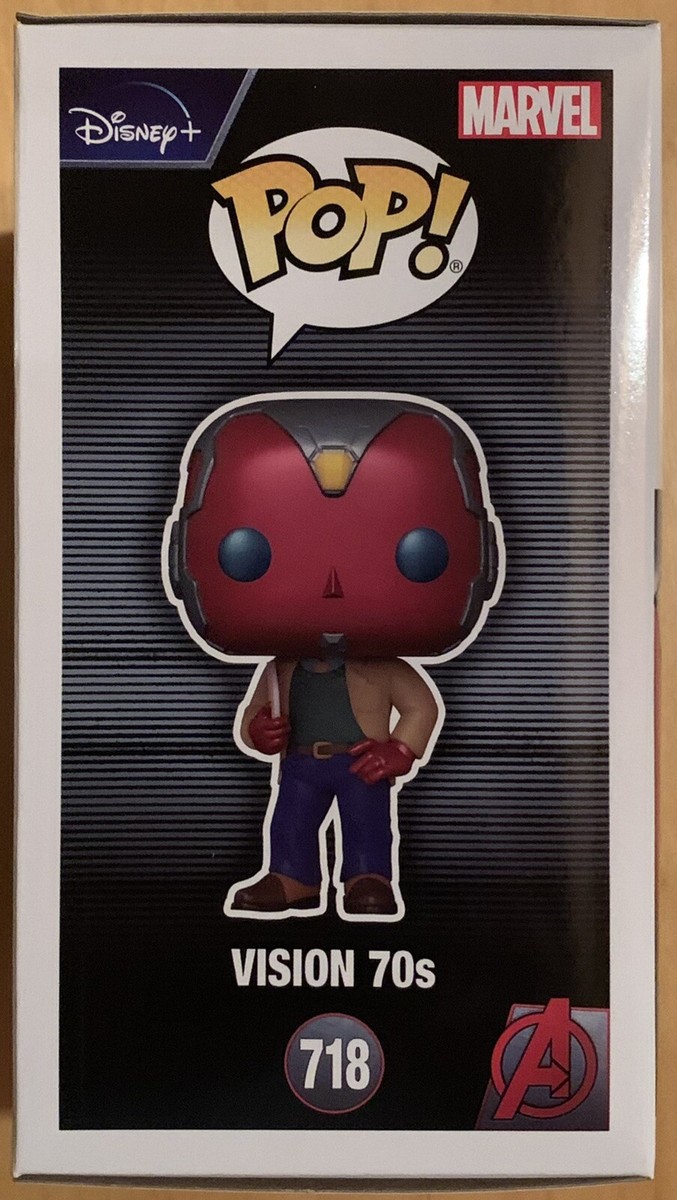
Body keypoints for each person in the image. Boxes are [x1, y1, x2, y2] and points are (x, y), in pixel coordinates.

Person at [165, 393, 502, 919]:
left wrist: (401, 751)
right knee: (290, 822)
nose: (332, 585)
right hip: (301, 762)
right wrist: (259, 731)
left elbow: (422, 707)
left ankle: (369, 878)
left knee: (368, 824)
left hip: (361, 760)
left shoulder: (383, 667)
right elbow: (255, 713)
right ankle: (292, 878)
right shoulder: (280, 667)